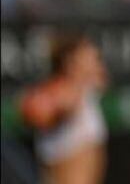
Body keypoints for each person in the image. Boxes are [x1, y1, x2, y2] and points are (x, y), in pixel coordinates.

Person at [19, 34, 108, 184]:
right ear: (71, 62)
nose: (97, 64)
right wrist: (60, 110)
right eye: (91, 58)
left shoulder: (87, 92)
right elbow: (35, 113)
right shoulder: (61, 92)